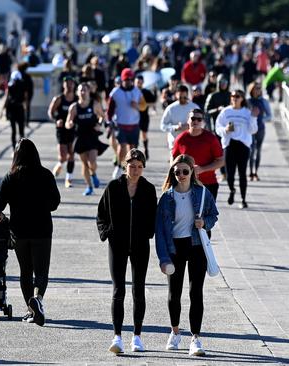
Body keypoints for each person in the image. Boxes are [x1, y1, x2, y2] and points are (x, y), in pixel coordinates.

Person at [0, 138, 61, 326]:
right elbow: (55, 202)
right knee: (41, 271)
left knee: (25, 271)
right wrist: (40, 205)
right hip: (42, 229)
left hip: (19, 230)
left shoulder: (11, 176)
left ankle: (31, 310)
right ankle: (37, 299)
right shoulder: (46, 175)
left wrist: (0, 216)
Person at [155, 154, 219, 357]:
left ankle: (196, 338)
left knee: (195, 292)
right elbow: (160, 230)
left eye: (185, 171)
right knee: (174, 293)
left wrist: (204, 223)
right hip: (175, 247)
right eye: (177, 171)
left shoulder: (202, 193)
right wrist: (163, 257)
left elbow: (213, 214)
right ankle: (174, 331)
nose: (181, 175)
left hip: (196, 245)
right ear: (172, 173)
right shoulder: (166, 197)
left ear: (192, 172)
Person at [96, 149, 157, 354]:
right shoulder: (114, 187)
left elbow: (153, 216)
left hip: (140, 245)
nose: (136, 170)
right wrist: (107, 233)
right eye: (132, 166)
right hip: (118, 245)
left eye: (139, 167)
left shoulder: (148, 189)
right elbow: (101, 214)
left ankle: (137, 336)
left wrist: (149, 233)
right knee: (118, 290)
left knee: (138, 290)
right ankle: (117, 336)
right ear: (125, 165)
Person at [215, 89, 258, 209]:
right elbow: (217, 128)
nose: (234, 98)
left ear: (242, 98)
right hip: (229, 144)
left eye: (237, 96)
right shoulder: (225, 112)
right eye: (233, 96)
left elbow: (253, 130)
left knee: (242, 173)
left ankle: (243, 199)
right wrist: (225, 130)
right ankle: (232, 189)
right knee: (230, 173)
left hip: (243, 145)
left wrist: (254, 118)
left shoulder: (247, 112)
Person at [172, 109, 224, 200]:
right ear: (188, 120)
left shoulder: (211, 139)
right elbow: (173, 160)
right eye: (193, 118)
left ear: (203, 122)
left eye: (199, 119)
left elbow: (221, 161)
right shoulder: (181, 139)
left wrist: (202, 169)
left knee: (207, 214)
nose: (195, 121)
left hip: (208, 183)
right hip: (186, 185)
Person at [66, 82, 108, 195]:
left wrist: (99, 123)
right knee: (84, 164)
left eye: (85, 90)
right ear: (77, 92)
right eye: (81, 90)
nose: (83, 92)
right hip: (80, 137)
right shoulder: (74, 107)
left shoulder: (94, 104)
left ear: (89, 92)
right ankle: (89, 186)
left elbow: (102, 116)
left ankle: (93, 173)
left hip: (92, 136)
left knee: (92, 161)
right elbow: (67, 122)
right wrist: (69, 124)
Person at [107, 68, 142, 179]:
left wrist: (137, 106)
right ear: (122, 80)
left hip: (134, 124)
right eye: (126, 79)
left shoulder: (137, 91)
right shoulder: (115, 92)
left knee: (132, 149)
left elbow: (144, 106)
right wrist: (109, 121)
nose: (128, 81)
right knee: (122, 147)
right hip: (121, 124)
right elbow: (110, 110)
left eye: (130, 79)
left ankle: (129, 169)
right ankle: (118, 166)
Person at [47, 76, 77, 187]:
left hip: (73, 129)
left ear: (74, 85)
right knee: (63, 156)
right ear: (63, 85)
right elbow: (50, 112)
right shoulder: (59, 99)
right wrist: (56, 119)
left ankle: (68, 178)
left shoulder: (77, 99)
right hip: (61, 130)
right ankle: (60, 164)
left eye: (71, 83)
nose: (69, 85)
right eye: (67, 83)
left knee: (72, 154)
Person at [160, 85, 200, 151]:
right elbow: (163, 125)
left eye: (184, 97)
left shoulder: (194, 107)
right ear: (176, 95)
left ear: (187, 95)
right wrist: (175, 127)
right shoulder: (171, 108)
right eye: (180, 97)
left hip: (191, 142)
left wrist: (190, 126)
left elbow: (202, 123)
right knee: (175, 161)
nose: (182, 99)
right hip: (175, 143)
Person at [246, 82, 272, 181]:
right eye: (255, 88)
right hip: (250, 130)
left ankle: (256, 172)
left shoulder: (264, 101)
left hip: (260, 129)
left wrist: (261, 120)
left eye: (259, 88)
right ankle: (250, 173)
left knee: (258, 151)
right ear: (251, 89)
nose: (257, 90)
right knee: (251, 151)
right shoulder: (247, 101)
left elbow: (269, 115)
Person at [0, 71, 28, 149]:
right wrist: (25, 107)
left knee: (13, 131)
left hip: (11, 109)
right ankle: (22, 148)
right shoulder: (23, 85)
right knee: (21, 130)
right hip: (20, 108)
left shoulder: (10, 85)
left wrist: (2, 110)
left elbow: (6, 98)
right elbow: (25, 97)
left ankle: (13, 148)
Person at [135, 75, 157, 160]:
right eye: (137, 82)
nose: (139, 84)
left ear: (143, 83)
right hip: (134, 117)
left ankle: (145, 149)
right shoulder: (132, 92)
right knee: (135, 135)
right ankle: (135, 151)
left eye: (140, 82)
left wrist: (144, 105)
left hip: (144, 116)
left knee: (144, 134)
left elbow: (153, 102)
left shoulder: (146, 92)